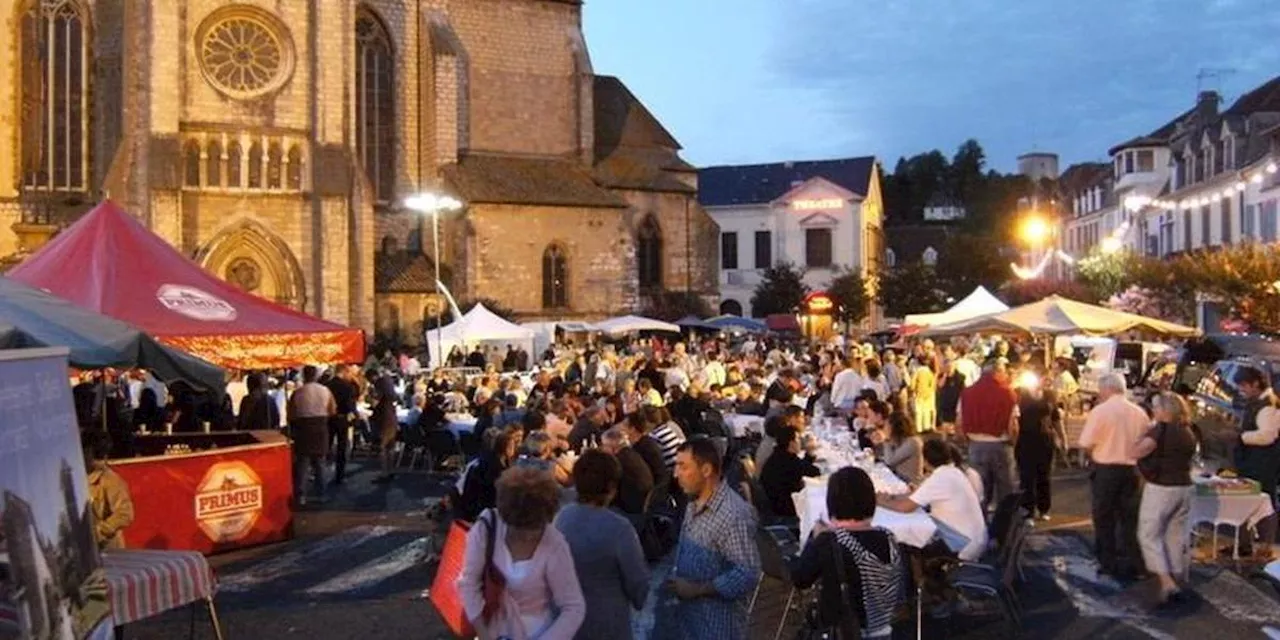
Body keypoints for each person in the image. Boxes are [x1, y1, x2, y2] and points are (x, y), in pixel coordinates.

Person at [457, 466, 585, 639]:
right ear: (506, 516)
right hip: (491, 630)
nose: (527, 536)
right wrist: (483, 632)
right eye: (519, 528)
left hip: (538, 633)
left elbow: (573, 606)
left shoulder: (555, 543)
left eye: (535, 527)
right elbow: (469, 582)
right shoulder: (486, 527)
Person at [789, 467, 907, 639]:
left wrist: (814, 539)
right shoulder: (888, 537)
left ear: (832, 501)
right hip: (882, 627)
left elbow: (800, 578)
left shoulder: (829, 541)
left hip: (844, 630)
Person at [664, 439, 761, 639]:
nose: (676, 474)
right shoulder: (694, 502)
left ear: (706, 470)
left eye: (683, 466)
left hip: (717, 628)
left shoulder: (733, 515)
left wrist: (698, 589)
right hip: (690, 623)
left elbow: (748, 572)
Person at [555, 450, 651, 640]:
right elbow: (638, 582)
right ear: (612, 487)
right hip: (607, 624)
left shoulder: (560, 519)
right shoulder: (619, 528)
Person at [1078, 372, 1150, 580]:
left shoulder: (1101, 411)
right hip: (1132, 470)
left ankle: (1107, 561)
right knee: (1130, 518)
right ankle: (1133, 561)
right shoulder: (1139, 413)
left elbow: (1086, 442)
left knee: (1104, 517)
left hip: (1106, 469)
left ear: (1107, 389)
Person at [1134, 392, 1198, 606]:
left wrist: (1137, 440)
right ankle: (1176, 575)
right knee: (1174, 533)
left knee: (1148, 534)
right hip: (1184, 487)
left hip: (1162, 487)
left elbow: (1140, 451)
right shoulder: (1188, 431)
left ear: (1165, 410)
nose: (1154, 410)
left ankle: (1166, 581)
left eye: (1156, 407)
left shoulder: (1160, 430)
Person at [879, 438, 987, 561]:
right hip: (972, 538)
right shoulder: (952, 472)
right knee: (916, 537)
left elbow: (905, 507)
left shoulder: (940, 477)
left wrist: (879, 501)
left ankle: (916, 577)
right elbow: (915, 495)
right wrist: (891, 498)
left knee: (905, 544)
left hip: (962, 544)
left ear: (925, 461)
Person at [1231, 366, 1280, 557]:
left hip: (1263, 462)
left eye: (1244, 386)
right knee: (1245, 499)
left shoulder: (1268, 405)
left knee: (1263, 501)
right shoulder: (1258, 402)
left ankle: (1264, 547)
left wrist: (1242, 437)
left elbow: (1267, 435)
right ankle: (1244, 544)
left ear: (1255, 384)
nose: (1241, 390)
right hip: (1252, 460)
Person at [956, 362, 1019, 508]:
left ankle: (980, 523)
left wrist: (966, 441)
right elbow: (1013, 425)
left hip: (976, 443)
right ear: (997, 373)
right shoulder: (1008, 393)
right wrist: (1013, 442)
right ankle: (1005, 524)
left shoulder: (967, 393)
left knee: (979, 488)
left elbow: (959, 422)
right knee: (1005, 488)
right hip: (1001, 443)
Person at [287, 365, 336, 505]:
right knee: (320, 463)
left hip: (303, 429)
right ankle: (321, 493)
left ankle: (301, 495)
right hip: (320, 427)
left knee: (303, 463)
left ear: (304, 376)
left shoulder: (297, 393)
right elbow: (332, 410)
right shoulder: (325, 391)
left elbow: (291, 414)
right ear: (316, 376)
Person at [82, 430, 135, 550]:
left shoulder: (109, 479)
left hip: (107, 550)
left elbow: (125, 514)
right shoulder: (77, 476)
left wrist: (99, 531)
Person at [1016, 387, 1059, 521]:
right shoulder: (1020, 397)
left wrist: (1062, 438)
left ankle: (1043, 508)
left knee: (1044, 476)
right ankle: (1027, 510)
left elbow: (1056, 420)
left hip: (1044, 441)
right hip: (1024, 441)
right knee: (1026, 478)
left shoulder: (1048, 397)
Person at [759, 427, 821, 519]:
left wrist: (809, 454)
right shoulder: (789, 461)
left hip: (776, 503)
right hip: (786, 508)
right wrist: (810, 452)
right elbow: (814, 471)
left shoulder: (779, 455)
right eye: (798, 439)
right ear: (792, 443)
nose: (800, 442)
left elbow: (802, 467)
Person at [599, 426, 655, 516]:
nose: (602, 449)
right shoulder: (632, 454)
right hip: (643, 503)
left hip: (631, 509)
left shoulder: (617, 461)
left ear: (612, 447)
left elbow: (608, 487)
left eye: (604, 446)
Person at [881, 412, 924, 485]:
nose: (884, 428)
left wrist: (886, 441)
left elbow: (890, 461)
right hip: (899, 479)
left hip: (910, 483)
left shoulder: (912, 442)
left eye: (886, 425)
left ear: (893, 427)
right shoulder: (900, 440)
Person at [910, 360, 938, 433]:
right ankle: (926, 427)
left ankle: (919, 428)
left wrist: (913, 390)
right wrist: (929, 392)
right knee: (926, 412)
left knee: (919, 412)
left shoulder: (917, 372)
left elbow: (912, 384)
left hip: (918, 394)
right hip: (928, 394)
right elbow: (933, 384)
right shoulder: (930, 373)